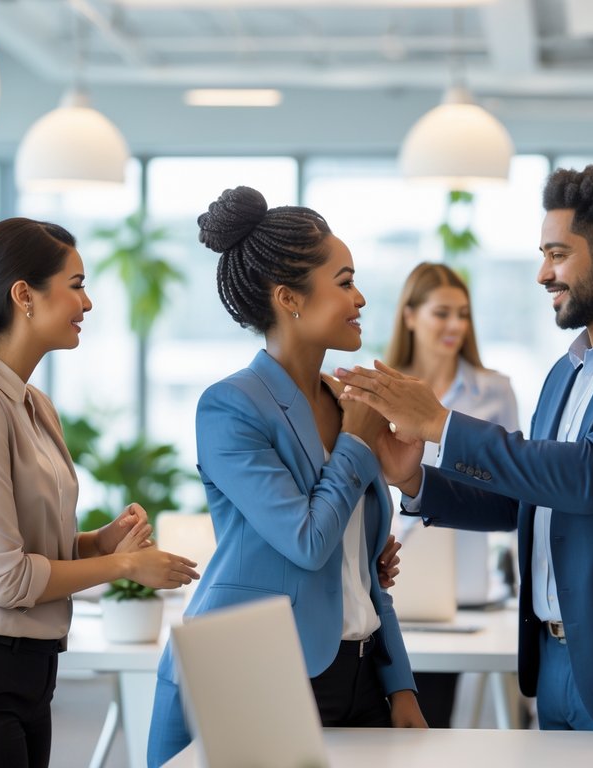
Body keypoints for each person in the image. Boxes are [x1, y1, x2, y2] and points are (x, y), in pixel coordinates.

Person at [338, 164, 593, 732]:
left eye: (557, 253)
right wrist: (419, 478)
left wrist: (442, 423)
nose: (543, 273)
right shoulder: (564, 373)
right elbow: (530, 499)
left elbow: (590, 477)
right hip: (555, 667)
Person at [0, 218, 199, 768]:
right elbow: (8, 579)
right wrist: (124, 567)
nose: (88, 302)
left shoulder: (32, 404)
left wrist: (99, 543)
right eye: (76, 284)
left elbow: (33, 546)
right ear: (24, 295)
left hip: (27, 675)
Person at [147, 187, 426, 766]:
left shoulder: (347, 399)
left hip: (362, 672)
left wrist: (399, 682)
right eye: (344, 282)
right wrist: (354, 439)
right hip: (265, 676)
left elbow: (362, 567)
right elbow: (306, 541)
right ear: (288, 298)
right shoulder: (229, 407)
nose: (361, 297)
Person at [383, 262, 519, 728]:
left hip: (465, 586)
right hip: (391, 580)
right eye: (442, 313)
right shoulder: (381, 388)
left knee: (438, 718)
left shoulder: (495, 390)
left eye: (463, 314)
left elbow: (512, 481)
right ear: (410, 316)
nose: (455, 326)